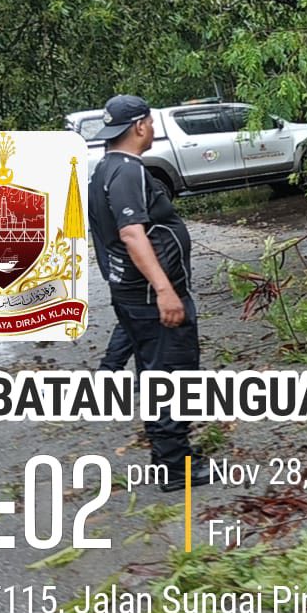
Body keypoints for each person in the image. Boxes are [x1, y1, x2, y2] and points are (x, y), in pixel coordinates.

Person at [88, 94, 210, 492]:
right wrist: (165, 290)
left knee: (158, 374)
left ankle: (171, 455)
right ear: (140, 125)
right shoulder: (127, 172)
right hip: (151, 297)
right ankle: (176, 469)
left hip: (132, 295)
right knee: (172, 377)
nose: (153, 130)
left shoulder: (104, 168)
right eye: (152, 123)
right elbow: (129, 233)